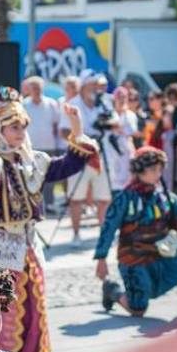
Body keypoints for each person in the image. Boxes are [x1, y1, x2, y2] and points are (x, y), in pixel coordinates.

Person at [0, 87, 96, 352]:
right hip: (1, 250)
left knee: (33, 312)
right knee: (5, 310)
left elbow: (66, 166)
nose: (20, 132)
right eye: (14, 126)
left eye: (23, 126)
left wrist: (76, 127)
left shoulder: (33, 161)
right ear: (0, 129)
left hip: (28, 247)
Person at [94, 147, 177, 317]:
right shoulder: (125, 198)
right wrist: (101, 258)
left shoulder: (162, 195)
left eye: (160, 169)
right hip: (135, 258)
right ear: (139, 171)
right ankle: (112, 291)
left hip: (162, 252)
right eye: (153, 170)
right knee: (138, 310)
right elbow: (108, 227)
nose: (158, 174)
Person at [59, 70, 109, 247]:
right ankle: (76, 234)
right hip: (79, 156)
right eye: (93, 84)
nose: (96, 88)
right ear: (84, 85)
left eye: (98, 85)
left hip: (100, 155)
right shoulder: (73, 104)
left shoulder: (103, 104)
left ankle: (103, 234)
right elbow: (64, 131)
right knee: (77, 198)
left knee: (104, 197)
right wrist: (82, 139)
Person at [21, 75, 63, 214]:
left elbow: (56, 124)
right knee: (31, 176)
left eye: (38, 88)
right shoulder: (24, 104)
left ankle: (49, 204)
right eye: (33, 88)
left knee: (48, 176)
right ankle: (32, 204)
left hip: (49, 145)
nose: (36, 91)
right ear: (29, 89)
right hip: (30, 146)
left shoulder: (51, 104)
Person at [99, 86, 138, 194]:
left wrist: (118, 127)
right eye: (119, 97)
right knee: (112, 178)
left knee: (126, 177)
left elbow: (131, 132)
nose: (121, 100)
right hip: (110, 149)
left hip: (125, 149)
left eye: (124, 97)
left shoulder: (130, 115)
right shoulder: (109, 114)